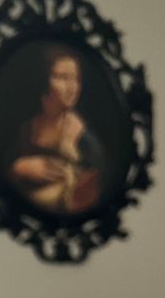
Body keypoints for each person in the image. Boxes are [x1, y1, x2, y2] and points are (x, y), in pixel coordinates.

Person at [7, 45, 103, 214]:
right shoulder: (26, 129)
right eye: (62, 77)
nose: (72, 87)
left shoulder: (82, 136)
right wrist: (19, 168)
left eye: (76, 79)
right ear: (44, 80)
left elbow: (97, 186)